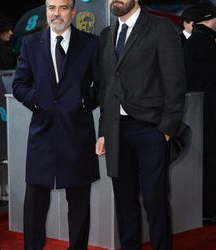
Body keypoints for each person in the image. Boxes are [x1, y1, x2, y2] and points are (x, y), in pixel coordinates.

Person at [96, 0, 187, 249]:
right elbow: (106, 88)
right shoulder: (106, 34)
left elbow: (175, 81)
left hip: (151, 129)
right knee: (124, 203)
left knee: (155, 201)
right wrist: (103, 131)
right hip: (116, 131)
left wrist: (167, 128)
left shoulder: (161, 28)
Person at [12, 0, 100, 249]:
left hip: (78, 135)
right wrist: (36, 101)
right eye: (51, 8)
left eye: (62, 8)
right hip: (42, 134)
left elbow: (103, 86)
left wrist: (83, 102)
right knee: (34, 206)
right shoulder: (31, 44)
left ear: (73, 11)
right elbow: (19, 84)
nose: (56, 13)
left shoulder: (91, 44)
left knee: (80, 205)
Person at [184, 1, 216, 223]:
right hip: (209, 112)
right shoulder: (206, 44)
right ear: (210, 19)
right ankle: (210, 210)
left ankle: (204, 210)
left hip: (193, 112)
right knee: (211, 159)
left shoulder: (189, 43)